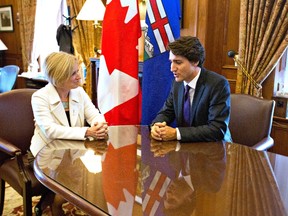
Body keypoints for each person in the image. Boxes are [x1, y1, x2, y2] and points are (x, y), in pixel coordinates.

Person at [29, 51, 108, 215]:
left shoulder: (78, 92)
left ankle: (59, 201)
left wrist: (99, 125)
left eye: (78, 70)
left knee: (95, 174)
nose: (79, 76)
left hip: (73, 150)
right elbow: (50, 131)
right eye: (74, 73)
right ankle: (55, 204)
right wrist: (87, 131)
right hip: (46, 153)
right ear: (58, 77)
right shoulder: (39, 97)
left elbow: (93, 114)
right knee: (74, 178)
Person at [151, 36, 232, 143]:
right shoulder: (177, 84)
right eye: (171, 62)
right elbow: (166, 112)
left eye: (178, 62)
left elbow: (217, 129)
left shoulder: (218, 84)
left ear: (195, 61)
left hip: (214, 149)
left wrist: (177, 133)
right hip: (186, 149)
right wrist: (156, 127)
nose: (172, 68)